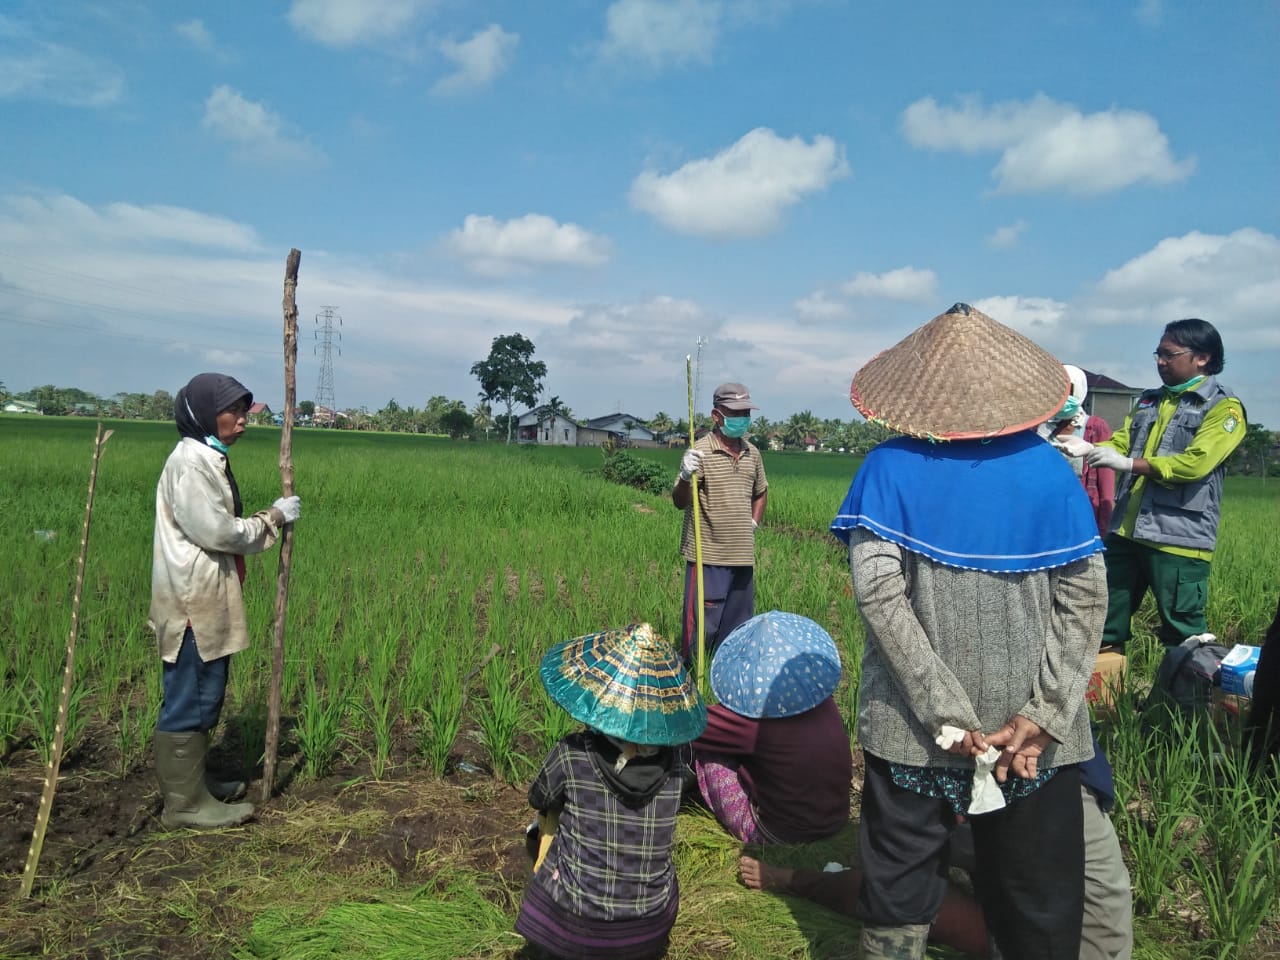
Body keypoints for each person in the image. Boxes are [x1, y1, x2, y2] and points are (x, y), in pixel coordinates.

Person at [831, 303, 1108, 960]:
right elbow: (1086, 599)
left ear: (918, 392)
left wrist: (946, 715)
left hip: (915, 731)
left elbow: (879, 597)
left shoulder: (887, 468)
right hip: (1032, 742)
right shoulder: (1050, 470)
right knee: (1037, 897)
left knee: (900, 890)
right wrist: (1044, 714)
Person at [736, 734, 1132, 960]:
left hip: (1067, 946)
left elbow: (907, 862)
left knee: (894, 889)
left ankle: (794, 881)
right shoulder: (1064, 755)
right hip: (1086, 933)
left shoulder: (1019, 780)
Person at [148, 373, 301, 829]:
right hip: (192, 599)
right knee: (190, 697)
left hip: (204, 593)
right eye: (232, 410)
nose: (242, 420)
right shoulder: (190, 463)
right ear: (202, 413)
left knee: (204, 693)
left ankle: (196, 785)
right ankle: (185, 805)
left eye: (243, 410)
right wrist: (270, 518)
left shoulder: (207, 456)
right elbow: (215, 530)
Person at [516, 622, 707, 960]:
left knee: (545, 830)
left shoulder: (574, 753)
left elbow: (540, 798)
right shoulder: (675, 764)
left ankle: (554, 937)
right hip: (648, 929)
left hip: (578, 930)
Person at [1056, 319, 1246, 651]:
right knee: (1103, 621)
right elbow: (1121, 441)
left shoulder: (1222, 408)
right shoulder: (1149, 401)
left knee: (1183, 631)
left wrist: (1129, 464)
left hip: (1178, 536)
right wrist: (1091, 449)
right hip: (1126, 532)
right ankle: (1107, 697)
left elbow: (1195, 464)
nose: (1160, 361)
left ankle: (1181, 702)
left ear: (1202, 357)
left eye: (1169, 355)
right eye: (1158, 354)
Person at [688, 610, 851, 844]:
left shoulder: (752, 720)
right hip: (836, 820)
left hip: (780, 834)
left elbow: (690, 723)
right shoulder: (821, 698)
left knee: (710, 750)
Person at [673, 382, 768, 667]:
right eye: (735, 412)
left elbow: (761, 491)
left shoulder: (753, 453)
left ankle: (725, 686)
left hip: (742, 557)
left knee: (737, 630)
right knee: (701, 631)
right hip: (708, 558)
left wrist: (753, 521)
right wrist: (685, 475)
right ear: (717, 415)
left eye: (746, 413)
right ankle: (688, 683)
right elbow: (680, 501)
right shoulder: (700, 453)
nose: (742, 419)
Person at [1039, 364, 1116, 537]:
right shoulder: (1039, 428)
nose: (1062, 396)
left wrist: (1103, 526)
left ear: (1079, 391)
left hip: (1079, 514)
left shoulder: (1094, 427)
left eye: (1068, 390)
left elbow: (1106, 483)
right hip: (1044, 512)